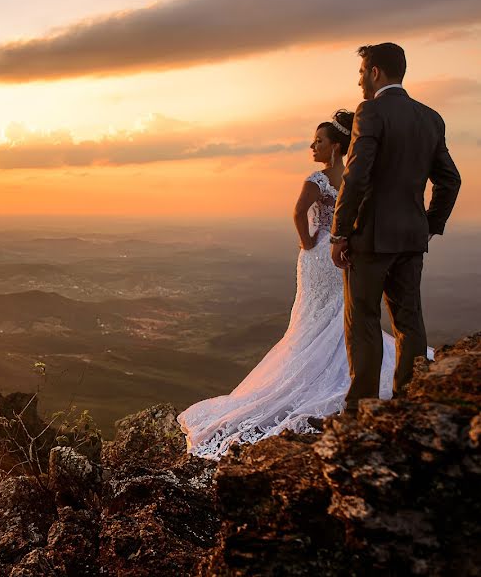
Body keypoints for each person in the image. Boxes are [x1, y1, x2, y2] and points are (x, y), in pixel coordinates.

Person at [176, 109, 432, 459]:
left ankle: (305, 380)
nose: (313, 146)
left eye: (319, 141)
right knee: (347, 313)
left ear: (336, 146)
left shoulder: (318, 178)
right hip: (349, 251)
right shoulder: (363, 177)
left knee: (310, 317)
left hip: (320, 254)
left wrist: (308, 242)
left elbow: (299, 212)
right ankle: (361, 373)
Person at [331, 43, 461, 414]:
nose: (359, 82)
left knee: (364, 321)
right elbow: (450, 181)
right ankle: (409, 400)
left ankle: (362, 408)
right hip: (411, 238)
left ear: (375, 72)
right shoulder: (430, 118)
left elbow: (355, 177)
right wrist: (430, 225)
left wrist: (340, 233)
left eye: (361, 73)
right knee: (409, 320)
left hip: (370, 238)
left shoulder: (370, 111)